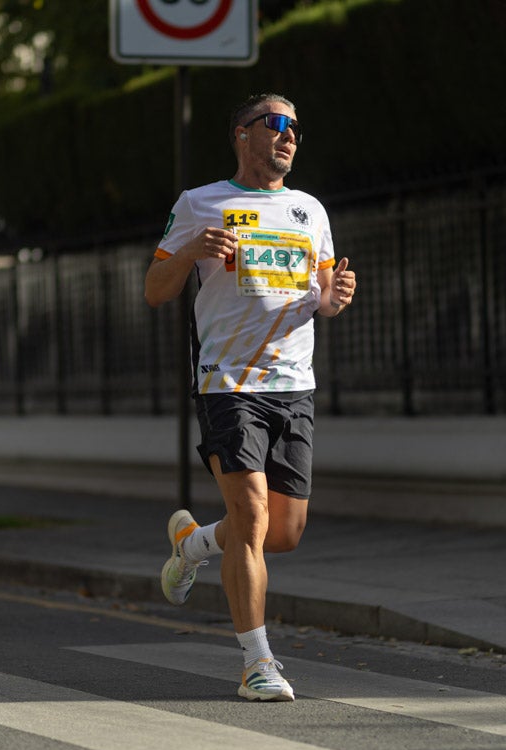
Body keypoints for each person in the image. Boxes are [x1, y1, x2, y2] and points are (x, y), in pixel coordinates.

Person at [144, 94, 356, 701]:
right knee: (253, 515)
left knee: (282, 533)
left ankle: (193, 544)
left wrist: (335, 296)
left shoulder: (308, 210)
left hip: (295, 385)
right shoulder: (200, 203)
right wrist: (189, 253)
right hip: (228, 383)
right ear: (242, 134)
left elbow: (321, 296)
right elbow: (155, 290)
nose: (289, 135)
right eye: (276, 123)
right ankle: (257, 662)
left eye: (296, 125)